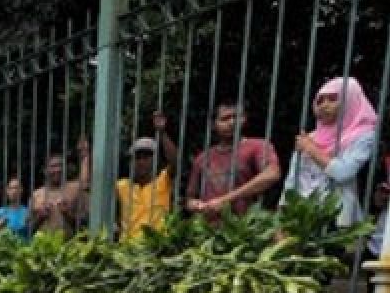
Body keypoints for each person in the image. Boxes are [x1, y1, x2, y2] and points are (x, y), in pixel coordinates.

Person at [283, 77, 379, 228]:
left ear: (350, 100)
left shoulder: (363, 136)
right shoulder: (310, 137)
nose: (324, 105)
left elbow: (343, 172)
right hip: (301, 219)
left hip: (338, 220)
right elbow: (292, 180)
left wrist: (312, 150)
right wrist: (282, 217)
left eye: (333, 98)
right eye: (320, 100)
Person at [186, 101, 281, 221]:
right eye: (225, 119)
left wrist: (224, 200)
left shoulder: (258, 146)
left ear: (244, 119)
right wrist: (196, 205)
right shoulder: (202, 158)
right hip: (209, 231)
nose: (232, 122)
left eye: (236, 117)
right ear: (213, 125)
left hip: (247, 228)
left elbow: (272, 174)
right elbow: (190, 199)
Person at [115, 112, 179, 240]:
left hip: (157, 247)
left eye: (147, 157)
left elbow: (175, 161)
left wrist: (162, 132)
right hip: (128, 249)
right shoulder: (122, 185)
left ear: (156, 160)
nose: (142, 162)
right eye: (137, 158)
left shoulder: (163, 180)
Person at [30, 138, 90, 237]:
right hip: (44, 248)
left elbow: (87, 223)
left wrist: (68, 214)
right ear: (45, 170)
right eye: (53, 166)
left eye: (60, 165)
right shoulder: (36, 195)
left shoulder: (75, 189)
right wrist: (40, 217)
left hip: (72, 248)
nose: (58, 169)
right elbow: (28, 229)